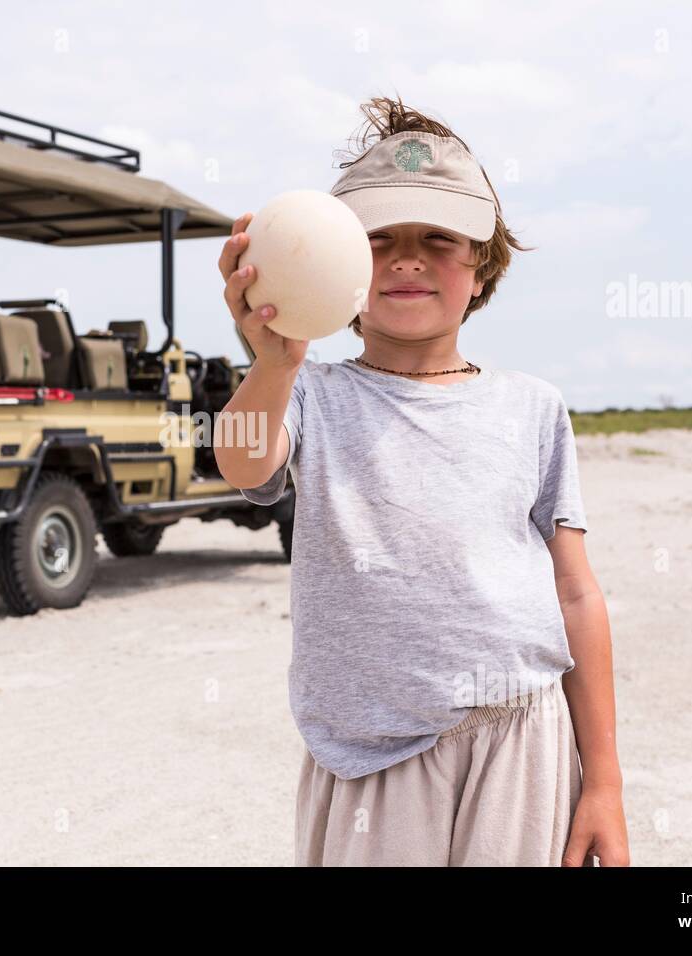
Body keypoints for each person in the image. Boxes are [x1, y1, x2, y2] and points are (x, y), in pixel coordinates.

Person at [213, 96, 629, 867]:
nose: (406, 259)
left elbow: (575, 593)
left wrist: (603, 781)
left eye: (438, 238)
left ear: (483, 268)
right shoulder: (309, 391)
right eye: (378, 241)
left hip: (522, 735)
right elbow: (241, 462)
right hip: (369, 754)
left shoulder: (534, 408)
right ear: (332, 268)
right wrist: (273, 362)